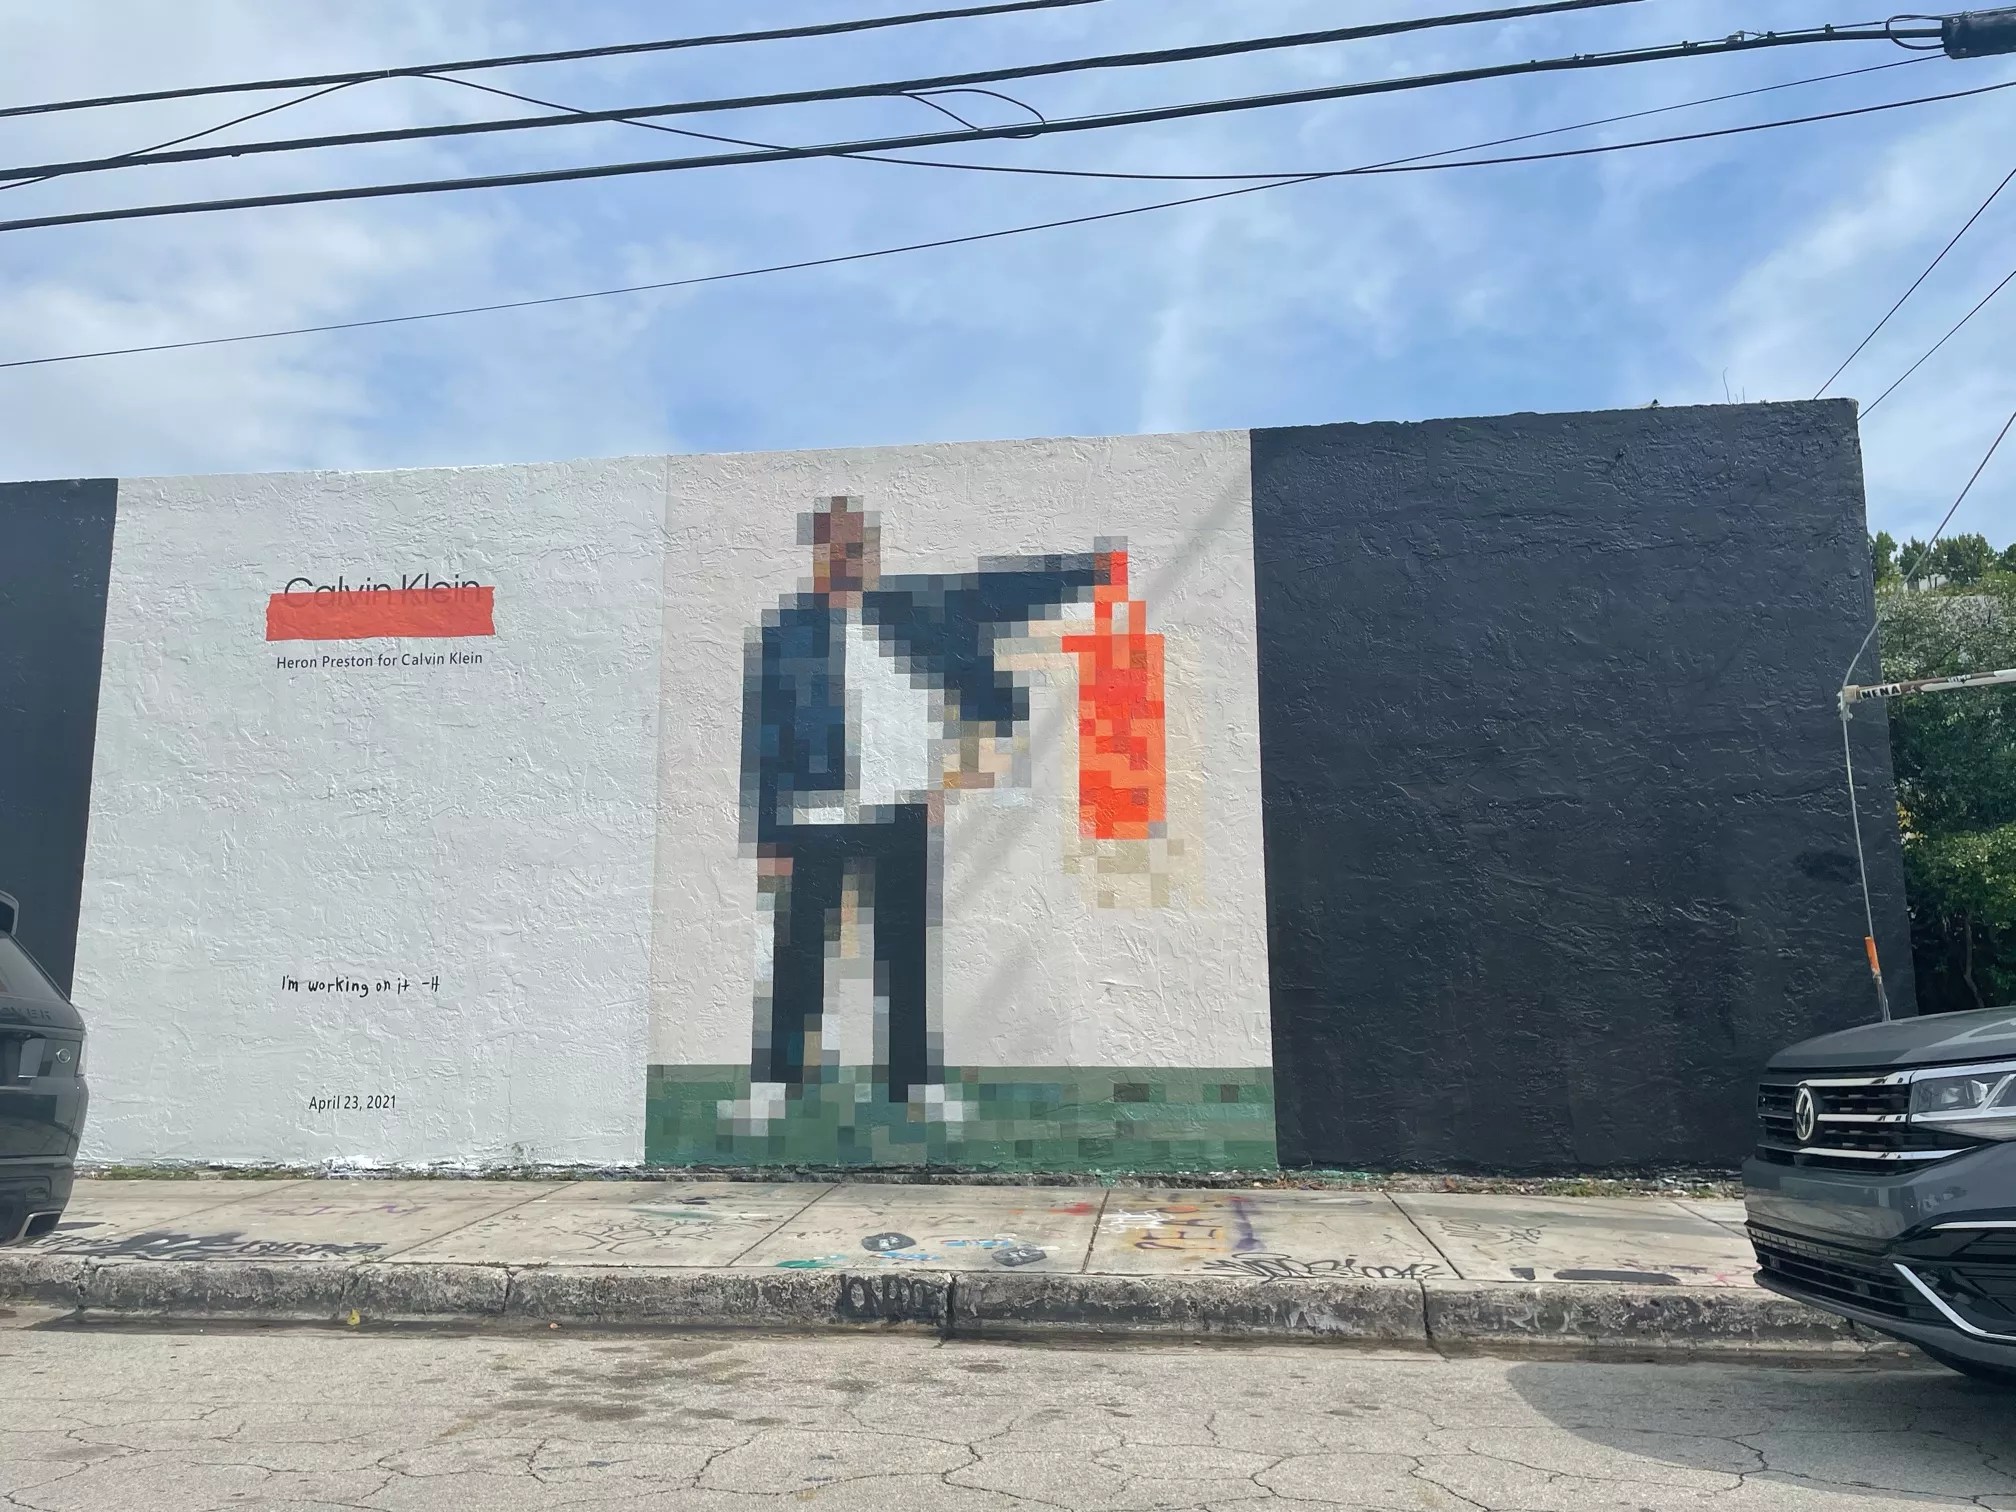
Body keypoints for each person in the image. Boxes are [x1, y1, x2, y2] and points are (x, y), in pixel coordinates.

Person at [734, 496, 1115, 1126]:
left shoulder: (913, 612)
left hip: (900, 811)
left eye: (857, 547)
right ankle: (776, 1084)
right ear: (817, 553)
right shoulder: (787, 633)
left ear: (872, 552)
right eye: (835, 547)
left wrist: (1088, 571)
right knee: (799, 958)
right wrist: (767, 833)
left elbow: (996, 594)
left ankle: (912, 1087)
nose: (847, 558)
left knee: (905, 956)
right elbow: (765, 735)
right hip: (813, 816)